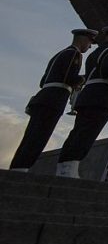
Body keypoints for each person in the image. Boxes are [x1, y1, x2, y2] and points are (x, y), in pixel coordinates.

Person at [9, 29, 97, 172]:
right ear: (83, 39)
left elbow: (43, 81)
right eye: (90, 42)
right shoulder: (74, 54)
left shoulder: (60, 54)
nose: (89, 46)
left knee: (32, 134)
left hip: (44, 96)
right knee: (40, 135)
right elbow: (69, 77)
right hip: (53, 100)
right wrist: (85, 78)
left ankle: (18, 166)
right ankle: (22, 167)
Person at [56, 26, 108, 178]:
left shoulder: (94, 53)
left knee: (78, 132)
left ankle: (64, 166)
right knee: (87, 134)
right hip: (101, 97)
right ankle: (70, 167)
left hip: (88, 96)